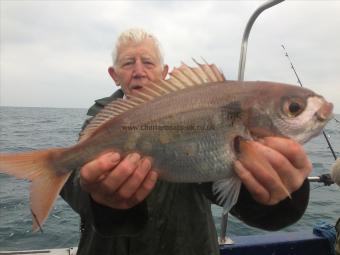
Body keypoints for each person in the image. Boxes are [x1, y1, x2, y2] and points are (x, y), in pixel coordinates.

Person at [61, 28, 312, 255]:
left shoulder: (198, 111)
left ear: (165, 72)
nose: (139, 71)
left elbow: (224, 183)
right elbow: (75, 185)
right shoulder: (100, 120)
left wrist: (280, 194)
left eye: (148, 62)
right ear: (114, 75)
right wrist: (99, 198)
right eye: (128, 63)